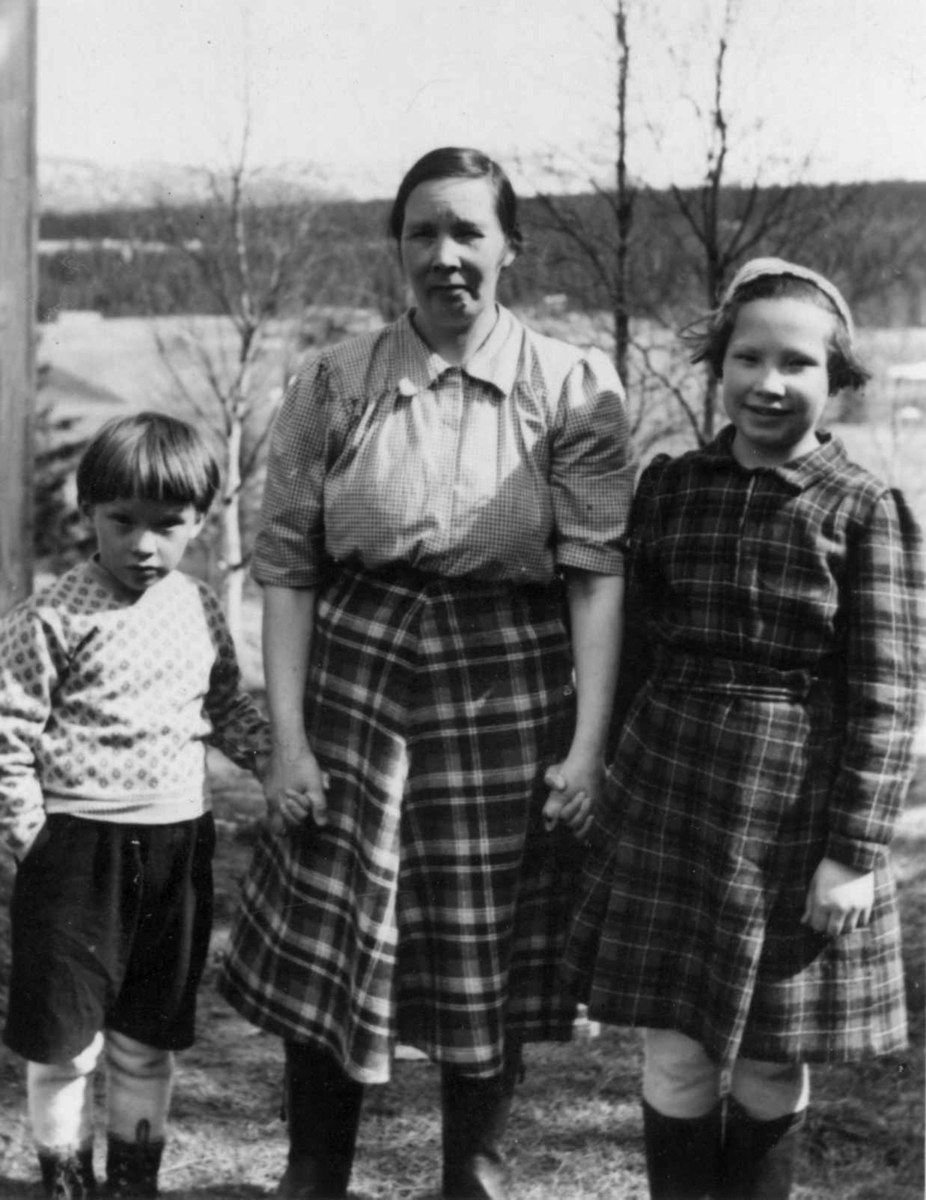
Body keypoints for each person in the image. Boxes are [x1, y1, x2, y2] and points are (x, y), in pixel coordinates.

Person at [219, 146, 635, 1200]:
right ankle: (314, 1173)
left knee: (480, 934)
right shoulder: (332, 381)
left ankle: (475, 1176)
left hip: (507, 677)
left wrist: (584, 750)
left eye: (467, 231)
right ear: (395, 248)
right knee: (339, 925)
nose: (444, 256)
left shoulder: (573, 386)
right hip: (356, 676)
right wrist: (288, 746)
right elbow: (287, 570)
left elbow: (595, 573)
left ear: (510, 247)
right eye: (420, 233)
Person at [563, 258, 924, 1200]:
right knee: (677, 1057)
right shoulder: (672, 488)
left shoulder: (864, 510)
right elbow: (631, 647)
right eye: (747, 358)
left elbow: (889, 693)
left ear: (835, 379)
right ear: (716, 366)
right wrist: (599, 764)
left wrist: (855, 850)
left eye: (797, 364)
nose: (769, 383)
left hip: (796, 820)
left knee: (768, 1064)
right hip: (671, 796)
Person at [0, 412, 271, 1200]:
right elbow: (7, 734)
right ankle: (64, 1180)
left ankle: (132, 1181)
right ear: (89, 512)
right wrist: (31, 838)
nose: (144, 546)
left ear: (201, 523)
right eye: (123, 522)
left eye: (168, 525)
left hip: (176, 851)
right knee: (64, 1044)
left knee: (147, 1037)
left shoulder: (199, 607)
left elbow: (228, 708)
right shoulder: (50, 616)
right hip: (76, 853)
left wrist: (277, 764)